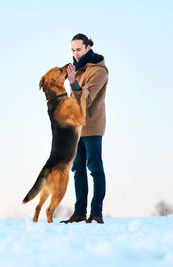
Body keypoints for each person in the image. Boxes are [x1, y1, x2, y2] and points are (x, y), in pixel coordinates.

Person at [60, 33, 108, 224]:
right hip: (76, 129)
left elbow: (85, 99)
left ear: (88, 47)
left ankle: (96, 213)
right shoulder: (77, 69)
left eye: (79, 49)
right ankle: (79, 213)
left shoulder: (99, 71)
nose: (76, 53)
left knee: (95, 169)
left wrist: (72, 82)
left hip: (92, 128)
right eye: (73, 50)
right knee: (77, 170)